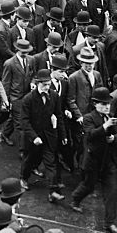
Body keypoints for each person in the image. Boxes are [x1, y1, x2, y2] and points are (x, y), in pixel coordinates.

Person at [68, 86, 117, 233]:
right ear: (95, 104)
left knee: (112, 191)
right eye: (103, 104)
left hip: (109, 161)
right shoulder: (89, 118)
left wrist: (114, 138)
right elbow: (90, 135)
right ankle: (75, 198)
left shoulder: (111, 117)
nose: (106, 107)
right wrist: (105, 126)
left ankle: (109, 223)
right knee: (88, 185)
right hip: (93, 160)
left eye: (108, 104)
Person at [20, 69, 69, 204]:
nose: (47, 87)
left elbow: (58, 115)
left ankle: (53, 191)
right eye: (44, 85)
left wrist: (63, 135)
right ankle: (23, 178)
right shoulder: (28, 99)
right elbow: (24, 121)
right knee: (30, 160)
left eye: (48, 84)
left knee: (51, 162)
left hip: (48, 136)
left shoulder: (53, 96)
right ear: (38, 83)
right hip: (33, 138)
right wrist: (34, 136)